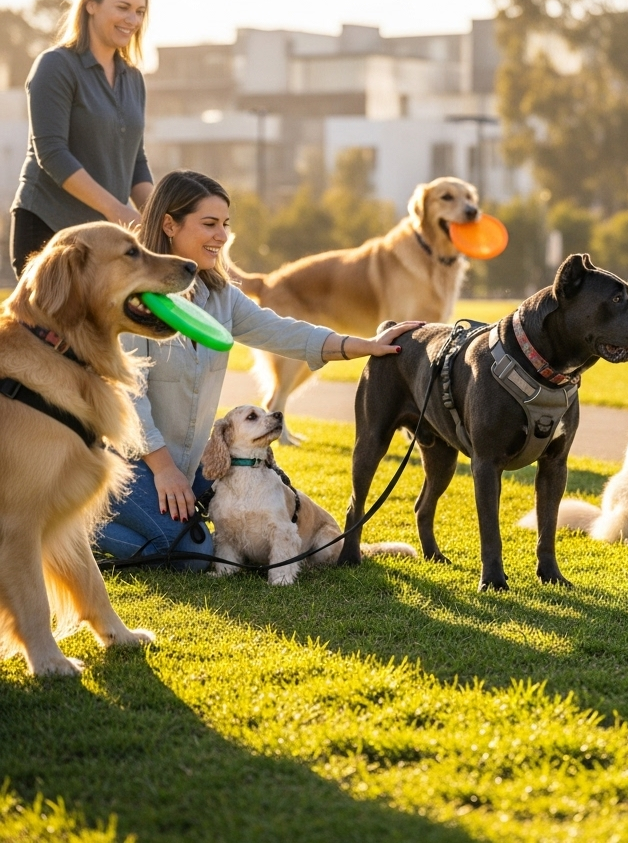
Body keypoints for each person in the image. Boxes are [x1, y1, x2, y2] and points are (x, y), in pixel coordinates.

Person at [95, 170, 421, 568]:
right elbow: (130, 396)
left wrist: (363, 345)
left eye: (226, 225)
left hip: (192, 460)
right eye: (209, 224)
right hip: (127, 465)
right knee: (194, 556)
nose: (222, 236)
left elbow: (283, 331)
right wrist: (164, 472)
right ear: (169, 224)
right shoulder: (134, 299)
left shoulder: (221, 296)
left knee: (265, 502)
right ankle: (81, 527)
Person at [9, 0, 154, 278]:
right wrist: (116, 211)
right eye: (123, 7)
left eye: (140, 12)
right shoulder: (55, 66)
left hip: (103, 241)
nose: (133, 20)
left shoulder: (134, 78)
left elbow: (135, 159)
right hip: (48, 228)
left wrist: (159, 219)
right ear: (91, 4)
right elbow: (52, 152)